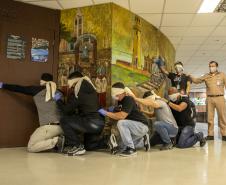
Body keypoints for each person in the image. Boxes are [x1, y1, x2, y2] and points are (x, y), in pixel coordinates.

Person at [0, 73, 64, 153]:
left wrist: (3, 85)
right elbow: (64, 108)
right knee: (37, 137)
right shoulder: (59, 92)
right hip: (62, 127)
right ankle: (59, 139)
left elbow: (19, 88)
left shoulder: (36, 90)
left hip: (48, 127)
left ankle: (57, 141)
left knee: (31, 147)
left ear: (41, 81)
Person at [54, 71, 107, 156]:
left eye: (71, 84)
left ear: (74, 81)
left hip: (91, 123)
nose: (70, 87)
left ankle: (77, 146)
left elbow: (67, 110)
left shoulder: (78, 90)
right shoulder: (90, 88)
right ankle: (107, 140)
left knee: (64, 120)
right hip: (100, 124)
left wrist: (58, 100)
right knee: (89, 146)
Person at [98, 82, 150, 157]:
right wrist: (112, 109)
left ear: (122, 92)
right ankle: (142, 140)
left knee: (121, 123)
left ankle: (131, 150)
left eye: (117, 95)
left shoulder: (128, 99)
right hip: (134, 127)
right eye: (115, 95)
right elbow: (120, 110)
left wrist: (106, 113)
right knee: (121, 146)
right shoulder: (121, 101)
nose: (116, 97)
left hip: (141, 125)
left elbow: (121, 116)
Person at [189, 61, 226, 141]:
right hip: (209, 98)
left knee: (222, 117)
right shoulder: (206, 76)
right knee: (210, 118)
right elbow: (197, 81)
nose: (211, 68)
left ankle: (224, 134)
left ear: (216, 66)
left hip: (220, 98)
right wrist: (190, 76)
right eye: (210, 66)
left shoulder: (222, 75)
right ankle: (210, 135)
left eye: (213, 66)